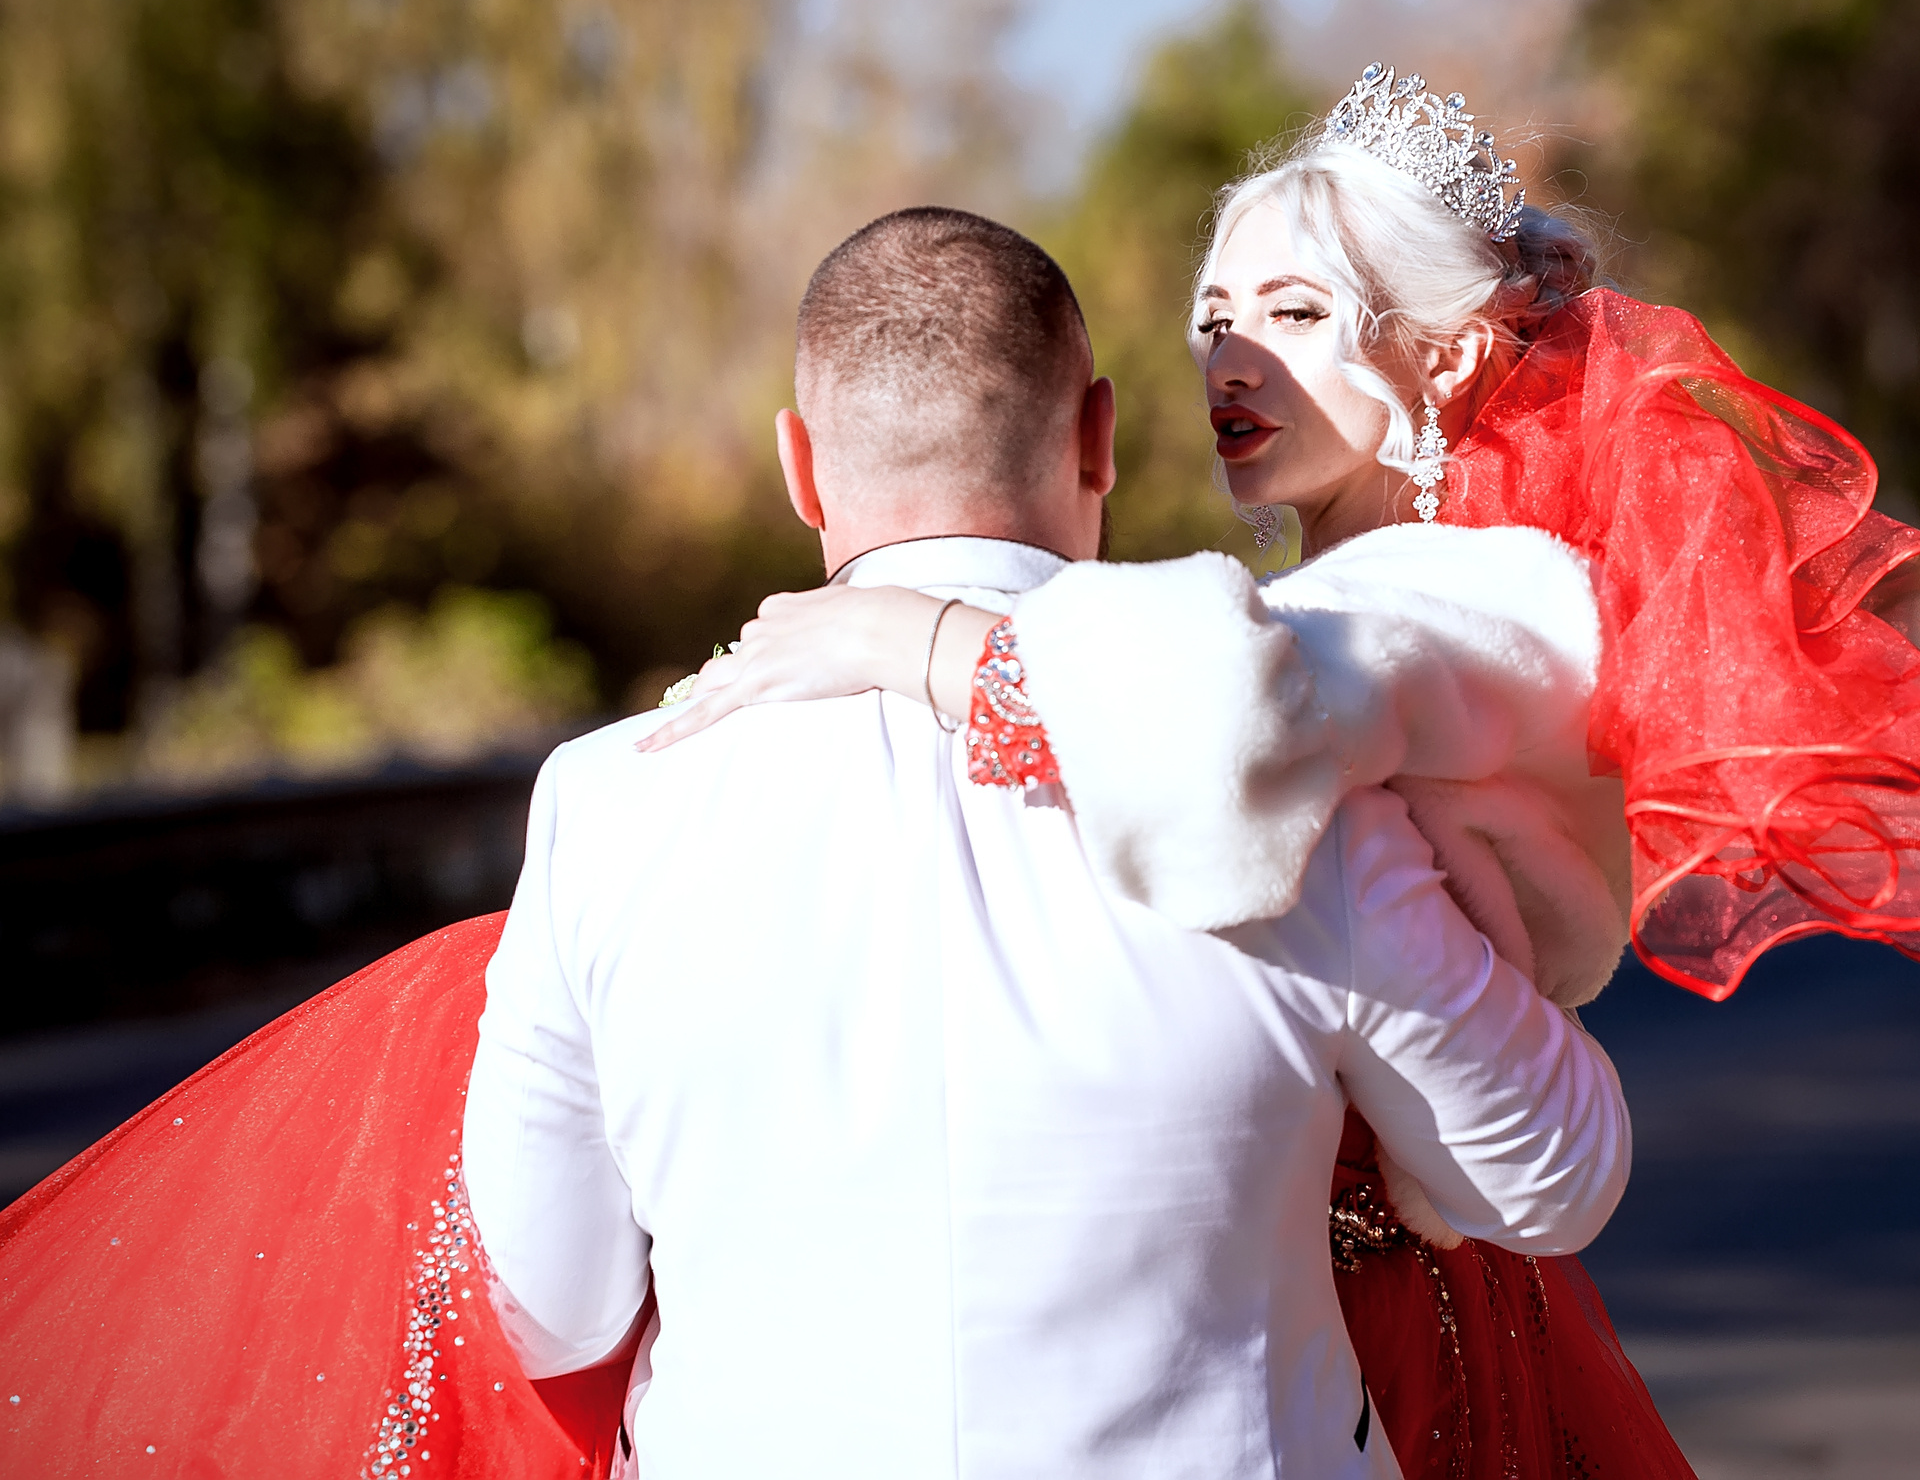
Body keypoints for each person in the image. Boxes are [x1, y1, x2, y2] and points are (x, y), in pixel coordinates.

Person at [649, 64, 1920, 1477]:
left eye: (1296, 314)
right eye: (1211, 319)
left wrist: (904, 638)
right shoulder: (1335, 612)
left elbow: (1225, 740)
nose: (1231, 360)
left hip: (1383, 1310)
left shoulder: (1455, 597)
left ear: (1439, 352)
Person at [0, 208, 1632, 1479]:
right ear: (1099, 443)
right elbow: (1550, 1175)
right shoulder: (1268, 772)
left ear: (801, 466)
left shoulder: (611, 804)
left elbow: (550, 1300)